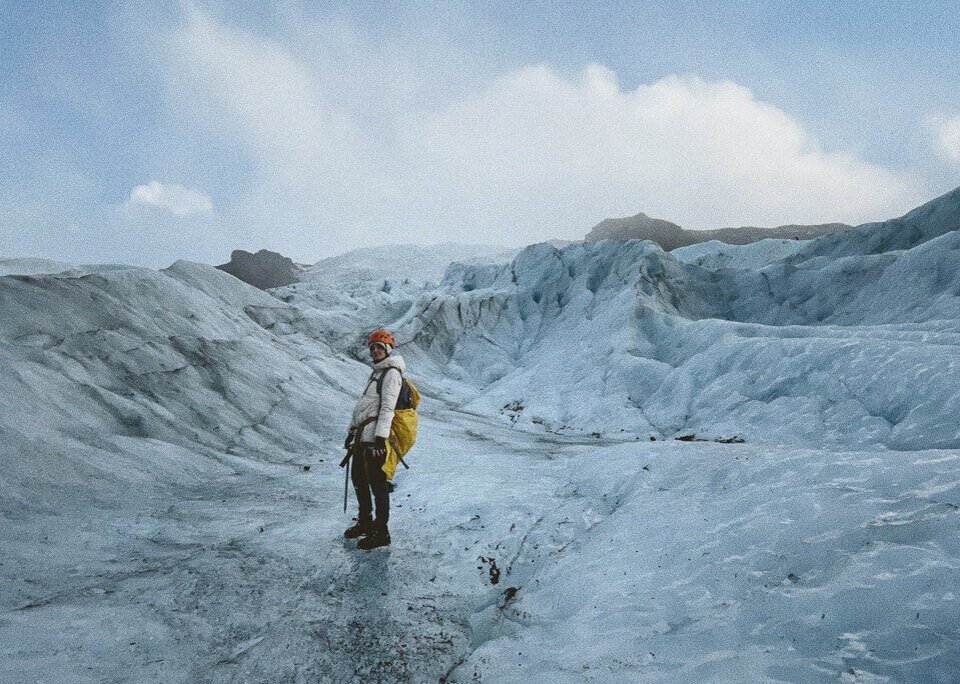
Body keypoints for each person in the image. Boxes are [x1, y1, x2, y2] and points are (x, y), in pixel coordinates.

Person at [343, 329, 405, 550]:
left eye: (380, 347)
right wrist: (351, 432)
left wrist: (380, 439)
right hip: (363, 436)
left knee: (378, 485)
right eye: (373, 348)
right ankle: (366, 522)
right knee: (359, 479)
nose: (376, 351)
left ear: (388, 349)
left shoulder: (392, 374)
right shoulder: (377, 373)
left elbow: (387, 408)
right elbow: (363, 406)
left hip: (375, 439)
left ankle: (382, 532)